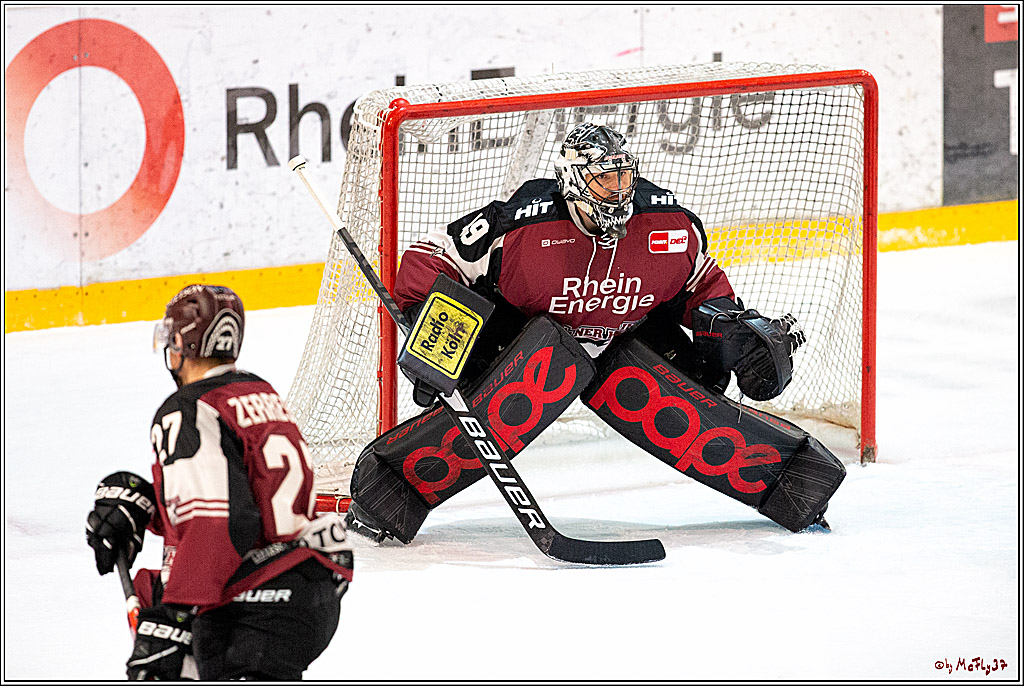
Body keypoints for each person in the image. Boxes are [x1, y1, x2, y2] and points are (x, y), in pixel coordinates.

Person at [344, 122, 842, 545]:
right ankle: (388, 493)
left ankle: (794, 485)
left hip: (631, 341)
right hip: (522, 343)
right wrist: (438, 342)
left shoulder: (670, 225)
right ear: (572, 181)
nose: (618, 190)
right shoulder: (521, 225)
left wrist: (734, 332)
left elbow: (702, 289)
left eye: (624, 176)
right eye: (604, 180)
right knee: (550, 364)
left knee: (679, 391)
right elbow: (424, 262)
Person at [86, 284, 353, 680]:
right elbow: (250, 498)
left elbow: (222, 521)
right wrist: (149, 506)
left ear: (181, 344)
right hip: (307, 590)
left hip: (250, 608)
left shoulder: (188, 409)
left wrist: (176, 612)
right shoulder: (260, 392)